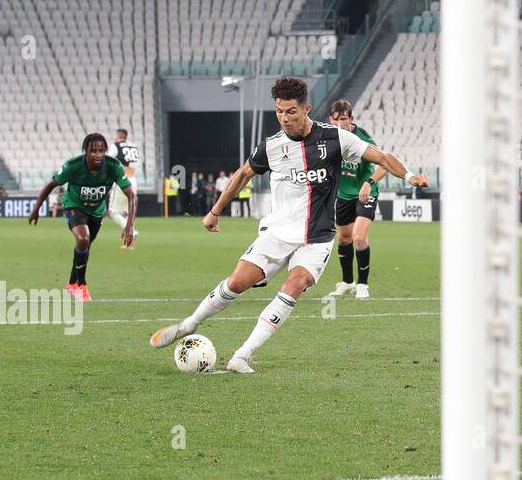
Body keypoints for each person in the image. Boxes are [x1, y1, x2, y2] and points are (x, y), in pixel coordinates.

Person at [149, 76, 429, 373]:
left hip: (317, 236)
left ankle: (243, 354)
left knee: (294, 285)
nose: (284, 118)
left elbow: (381, 157)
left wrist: (410, 176)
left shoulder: (335, 138)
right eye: (279, 111)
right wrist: (215, 210)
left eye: (291, 111)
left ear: (306, 109)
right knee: (237, 283)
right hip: (278, 233)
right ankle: (189, 324)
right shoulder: (271, 147)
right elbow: (243, 175)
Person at [28, 133, 137, 301]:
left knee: (84, 247)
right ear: (85, 151)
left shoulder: (113, 166)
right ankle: (81, 285)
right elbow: (50, 185)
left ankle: (72, 283)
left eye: (101, 150)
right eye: (93, 151)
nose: (98, 155)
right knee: (83, 239)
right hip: (74, 206)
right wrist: (36, 208)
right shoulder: (73, 166)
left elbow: (132, 196)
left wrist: (129, 226)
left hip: (96, 211)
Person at [326, 99, 392, 300]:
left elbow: (385, 164)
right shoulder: (329, 137)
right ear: (331, 119)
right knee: (344, 238)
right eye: (336, 120)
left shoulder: (364, 139)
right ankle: (347, 282)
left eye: (343, 119)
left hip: (365, 193)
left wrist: (369, 182)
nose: (339, 124)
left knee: (359, 238)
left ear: (351, 119)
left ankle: (363, 284)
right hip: (343, 195)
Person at [108, 128, 142, 247]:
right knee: (129, 211)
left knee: (112, 211)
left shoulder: (116, 146)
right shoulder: (133, 146)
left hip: (122, 180)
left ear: (118, 137)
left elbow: (107, 161)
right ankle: (129, 242)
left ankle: (132, 231)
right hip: (133, 179)